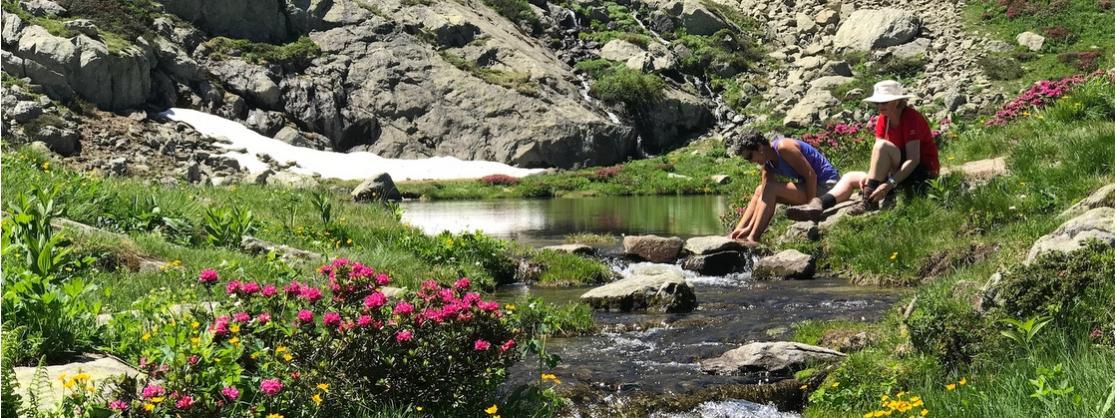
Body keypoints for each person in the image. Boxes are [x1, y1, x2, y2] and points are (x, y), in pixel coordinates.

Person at [788, 80, 941, 221]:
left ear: (897, 101)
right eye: (878, 102)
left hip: (921, 171)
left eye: (884, 102)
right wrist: (872, 179)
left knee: (881, 146)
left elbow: (913, 159)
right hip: (896, 170)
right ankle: (818, 204)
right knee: (849, 177)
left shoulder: (911, 118)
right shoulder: (883, 119)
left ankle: (868, 201)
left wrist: (889, 184)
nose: (880, 106)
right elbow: (879, 155)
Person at [727, 130, 841, 247]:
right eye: (747, 159)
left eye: (750, 156)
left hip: (828, 185)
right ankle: (735, 235)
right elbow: (763, 195)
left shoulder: (783, 148)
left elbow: (811, 175)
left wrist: (810, 209)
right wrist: (748, 227)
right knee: (759, 190)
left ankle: (752, 238)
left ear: (760, 147)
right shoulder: (767, 164)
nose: (751, 161)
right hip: (813, 186)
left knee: (771, 189)